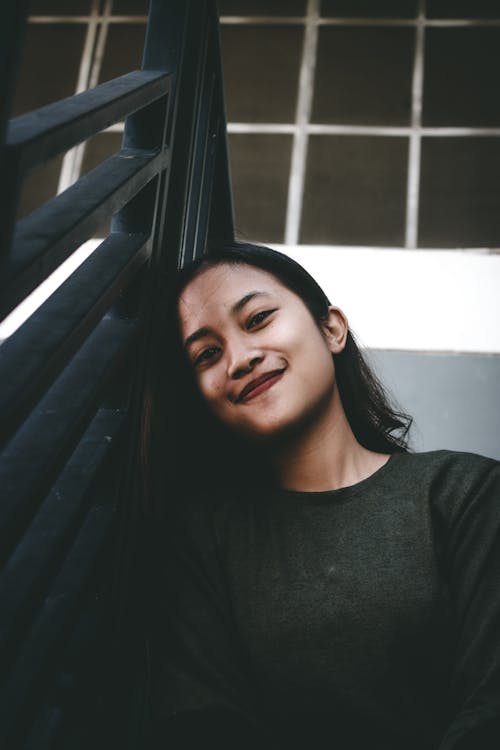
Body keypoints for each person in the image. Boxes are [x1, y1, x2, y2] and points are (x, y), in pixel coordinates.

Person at [149, 242, 500, 749]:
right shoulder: (203, 540)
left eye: (258, 318)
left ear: (332, 328)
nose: (240, 359)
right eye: (207, 353)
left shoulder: (465, 495)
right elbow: (202, 722)